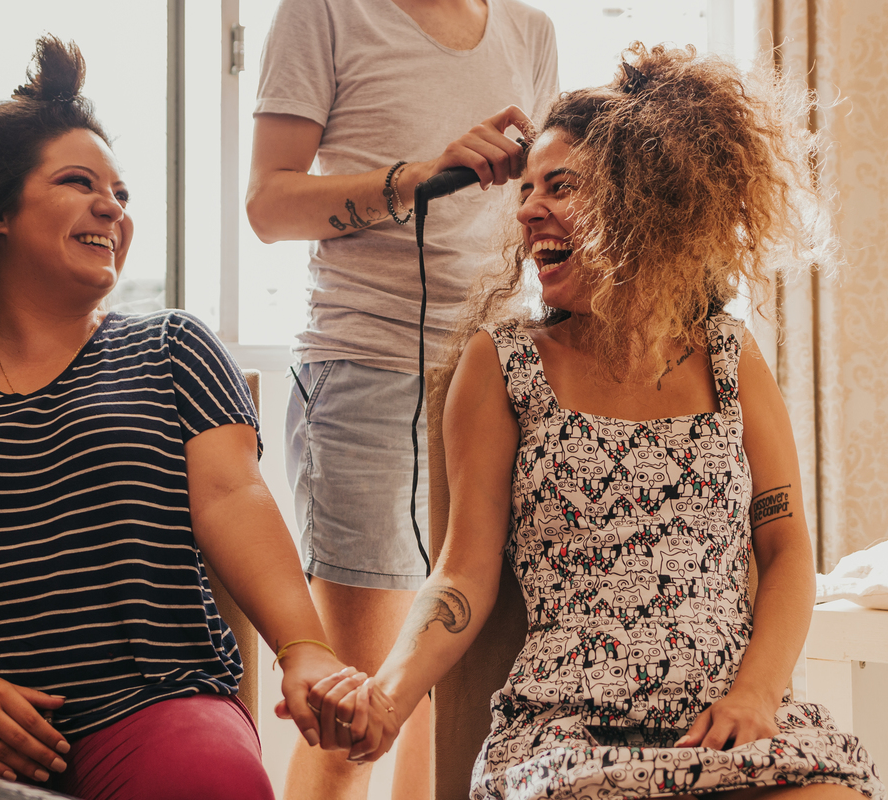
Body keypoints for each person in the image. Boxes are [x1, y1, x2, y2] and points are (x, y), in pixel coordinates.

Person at [310, 44, 885, 799]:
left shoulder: (728, 355)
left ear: (640, 200)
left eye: (560, 186)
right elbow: (461, 573)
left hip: (730, 716)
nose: (526, 208)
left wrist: (756, 694)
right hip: (566, 730)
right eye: (525, 189)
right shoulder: (501, 364)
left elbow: (783, 549)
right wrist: (386, 693)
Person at [0, 36, 351, 800]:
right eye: (80, 183)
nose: (111, 208)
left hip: (153, 700)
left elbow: (234, 500)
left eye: (122, 195)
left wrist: (305, 648)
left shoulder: (172, 346)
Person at [246, 1, 557, 797]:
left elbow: (543, 204)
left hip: (499, 382)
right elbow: (269, 205)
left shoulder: (531, 31)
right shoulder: (323, 11)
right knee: (356, 708)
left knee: (443, 695)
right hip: (366, 373)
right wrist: (417, 179)